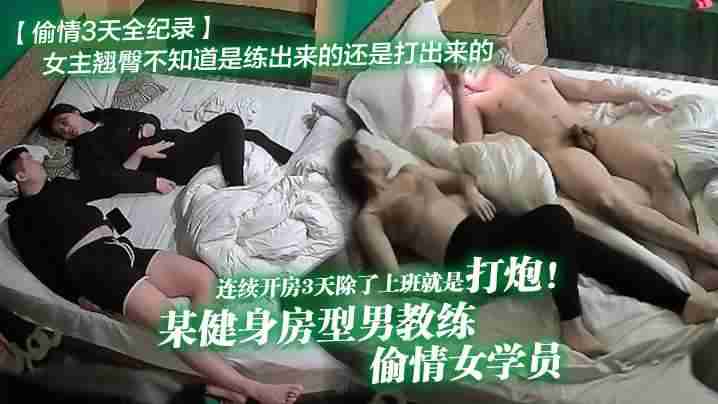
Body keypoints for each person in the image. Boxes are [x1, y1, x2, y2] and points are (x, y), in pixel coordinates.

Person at [333, 138, 718, 357]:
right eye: (369, 149)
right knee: (556, 218)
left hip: (493, 229)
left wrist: (470, 191)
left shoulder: (410, 172)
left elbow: (460, 177)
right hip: (467, 256)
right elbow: (392, 278)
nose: (379, 151)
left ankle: (682, 303)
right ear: (359, 165)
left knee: (580, 247)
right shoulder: (371, 217)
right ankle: (572, 324)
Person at [0, 146, 303, 404]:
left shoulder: (61, 187)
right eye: (29, 159)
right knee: (174, 323)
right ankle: (253, 389)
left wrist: (140, 160)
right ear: (20, 176)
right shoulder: (19, 218)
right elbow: (41, 267)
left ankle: (211, 372)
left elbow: (106, 183)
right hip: (90, 265)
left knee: (203, 278)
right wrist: (76, 296)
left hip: (121, 247)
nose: (38, 160)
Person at [435, 62, 718, 290]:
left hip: (589, 129)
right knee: (611, 203)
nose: (467, 66)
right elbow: (468, 145)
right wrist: (457, 88)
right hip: (560, 149)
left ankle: (700, 266)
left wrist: (636, 95)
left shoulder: (538, 74)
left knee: (662, 168)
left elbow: (588, 88)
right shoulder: (477, 102)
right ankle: (706, 251)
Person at [41, 104, 292, 195]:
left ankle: (293, 161)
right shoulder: (86, 148)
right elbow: (109, 180)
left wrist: (149, 125)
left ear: (74, 111)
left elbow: (148, 117)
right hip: (170, 161)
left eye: (64, 121)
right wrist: (139, 155)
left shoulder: (108, 115)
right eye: (60, 132)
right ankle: (237, 190)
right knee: (230, 121)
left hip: (181, 141)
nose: (66, 130)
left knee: (252, 135)